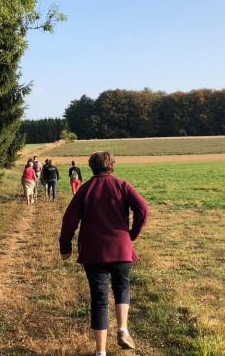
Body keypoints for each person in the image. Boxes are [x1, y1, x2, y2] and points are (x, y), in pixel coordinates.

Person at [59, 152, 148, 356]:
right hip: (121, 249)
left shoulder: (85, 189)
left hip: (93, 253)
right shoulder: (122, 186)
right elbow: (143, 210)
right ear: (112, 165)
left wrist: (65, 247)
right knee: (122, 287)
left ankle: (101, 352)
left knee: (99, 299)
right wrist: (130, 234)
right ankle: (123, 329)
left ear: (92, 167)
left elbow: (69, 221)